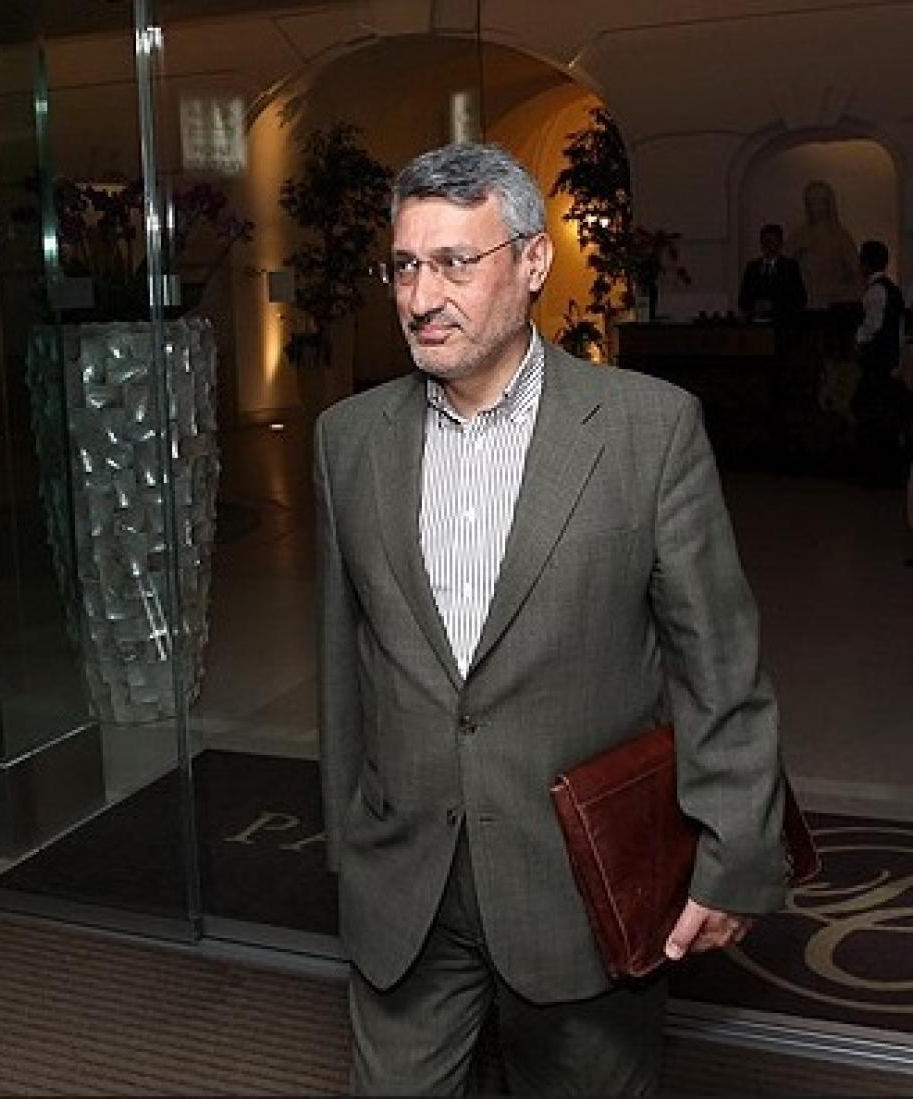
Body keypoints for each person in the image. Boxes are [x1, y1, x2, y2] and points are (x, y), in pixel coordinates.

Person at [314, 142, 789, 1096]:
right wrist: (348, 844)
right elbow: (343, 665)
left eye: (455, 262)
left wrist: (734, 853)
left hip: (581, 887)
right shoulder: (348, 440)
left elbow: (717, 667)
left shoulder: (648, 430)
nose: (421, 297)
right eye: (404, 265)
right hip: (407, 883)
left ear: (533, 262)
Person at [851, 239, 908, 487]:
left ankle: (874, 471)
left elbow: (872, 326)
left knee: (871, 415)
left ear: (865, 263)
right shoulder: (893, 290)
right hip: (889, 360)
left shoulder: (875, 292)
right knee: (885, 415)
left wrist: (858, 341)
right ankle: (887, 470)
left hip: (876, 362)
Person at [787, 179, 862, 309]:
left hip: (831, 302)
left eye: (818, 202)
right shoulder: (798, 235)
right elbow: (784, 267)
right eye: (810, 202)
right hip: (803, 302)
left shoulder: (840, 236)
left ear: (828, 204)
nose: (814, 207)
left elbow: (856, 271)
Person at [738, 223, 807, 320]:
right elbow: (742, 300)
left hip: (782, 323)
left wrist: (774, 305)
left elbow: (800, 300)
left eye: (772, 241)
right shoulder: (752, 268)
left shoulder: (790, 268)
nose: (768, 245)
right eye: (765, 241)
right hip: (756, 323)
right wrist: (755, 305)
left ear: (780, 244)